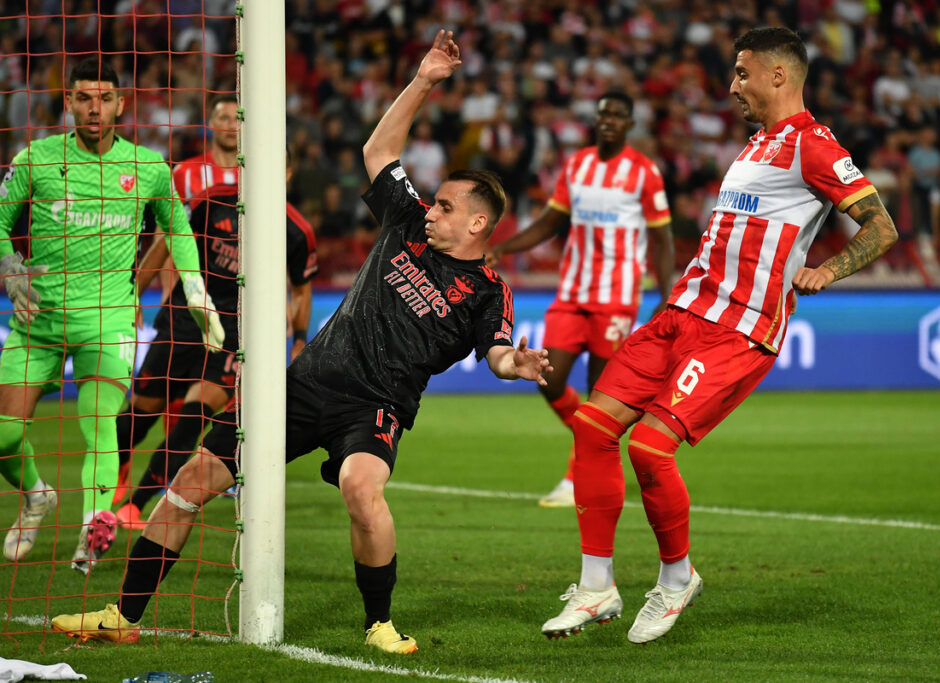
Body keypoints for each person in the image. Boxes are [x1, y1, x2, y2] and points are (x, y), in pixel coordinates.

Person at [52, 31, 551, 654]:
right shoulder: (407, 224)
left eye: (446, 205)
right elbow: (378, 148)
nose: (432, 208)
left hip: (376, 407)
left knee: (362, 492)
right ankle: (122, 615)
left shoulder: (488, 291)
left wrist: (515, 363)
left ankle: (380, 623)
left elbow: (498, 351)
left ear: (477, 222)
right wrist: (423, 80)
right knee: (190, 482)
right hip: (304, 382)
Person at [539, 26, 898, 645]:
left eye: (742, 73)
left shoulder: (812, 145)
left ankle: (676, 581)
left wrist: (827, 269)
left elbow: (881, 225)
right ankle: (596, 589)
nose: (732, 85)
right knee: (592, 428)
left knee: (650, 449)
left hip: (738, 330)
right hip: (681, 312)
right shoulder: (757, 145)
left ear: (778, 76)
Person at [0, 56, 224, 574]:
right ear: (69, 103)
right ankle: (35, 496)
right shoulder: (35, 159)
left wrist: (194, 289)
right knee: (6, 436)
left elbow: (180, 231)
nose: (94, 108)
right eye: (83, 98)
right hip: (39, 320)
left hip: (109, 317)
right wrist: (10, 263)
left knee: (100, 423)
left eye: (104, 98)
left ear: (121, 104)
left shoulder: (147, 168)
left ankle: (92, 526)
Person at [485, 92, 674, 508]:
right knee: (547, 378)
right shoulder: (577, 165)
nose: (609, 120)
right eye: (604, 113)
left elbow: (661, 238)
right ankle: (587, 453)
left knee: (598, 395)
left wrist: (665, 295)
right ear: (596, 120)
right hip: (572, 293)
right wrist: (506, 248)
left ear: (628, 125)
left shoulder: (644, 172)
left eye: (618, 115)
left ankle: (577, 480)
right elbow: (552, 222)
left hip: (617, 298)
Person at [113, 165, 318, 530]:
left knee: (193, 420)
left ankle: (136, 503)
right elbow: (166, 243)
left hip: (236, 336)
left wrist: (299, 339)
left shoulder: (296, 229)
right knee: (139, 415)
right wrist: (134, 295)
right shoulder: (211, 202)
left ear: (287, 172)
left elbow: (301, 288)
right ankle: (110, 479)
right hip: (184, 321)